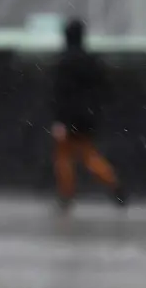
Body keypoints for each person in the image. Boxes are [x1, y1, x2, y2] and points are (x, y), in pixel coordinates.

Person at [51, 18, 128, 210]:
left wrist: (60, 120)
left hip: (68, 117)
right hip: (88, 116)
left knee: (64, 157)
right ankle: (112, 182)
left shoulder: (64, 61)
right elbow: (103, 89)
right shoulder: (91, 61)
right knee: (89, 155)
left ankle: (66, 196)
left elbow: (61, 93)